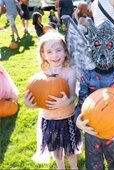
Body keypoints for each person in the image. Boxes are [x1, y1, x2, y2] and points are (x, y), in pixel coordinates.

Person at [72, 19, 114, 169]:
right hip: (92, 131)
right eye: (98, 45)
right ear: (91, 47)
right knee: (93, 164)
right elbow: (82, 102)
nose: (104, 52)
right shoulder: (87, 76)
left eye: (110, 45)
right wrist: (77, 120)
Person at [23, 31, 81, 169]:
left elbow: (73, 96)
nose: (55, 55)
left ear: (65, 52)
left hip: (67, 119)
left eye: (58, 50)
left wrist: (65, 101)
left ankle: (74, 167)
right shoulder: (42, 73)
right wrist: (29, 104)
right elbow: (40, 96)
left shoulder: (70, 72)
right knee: (56, 151)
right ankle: (60, 167)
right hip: (49, 120)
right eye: (49, 52)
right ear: (43, 55)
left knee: (70, 151)